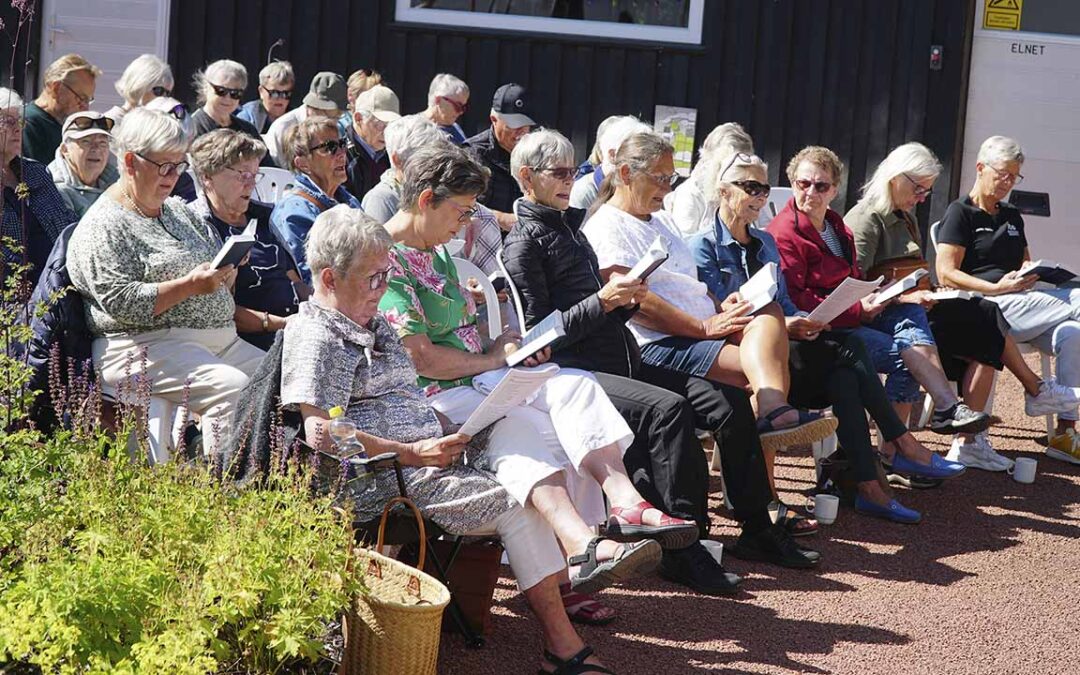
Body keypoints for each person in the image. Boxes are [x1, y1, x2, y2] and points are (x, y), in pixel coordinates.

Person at [282, 206, 616, 674]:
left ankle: (581, 541)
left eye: (385, 275)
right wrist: (413, 450)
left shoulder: (369, 321)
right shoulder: (317, 333)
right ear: (330, 278)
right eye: (373, 278)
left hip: (425, 453)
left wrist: (461, 423)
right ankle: (562, 644)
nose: (383, 289)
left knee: (513, 423)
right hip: (383, 478)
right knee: (519, 506)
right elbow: (320, 432)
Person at [503, 129, 823, 598]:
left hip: (623, 353)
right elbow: (541, 334)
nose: (571, 180)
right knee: (672, 408)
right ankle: (685, 545)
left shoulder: (570, 227)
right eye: (560, 172)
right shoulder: (532, 241)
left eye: (574, 170)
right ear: (526, 177)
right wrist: (611, 301)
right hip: (586, 369)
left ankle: (756, 525)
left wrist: (631, 299)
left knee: (731, 401)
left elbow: (624, 302)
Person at [380, 144, 693, 598]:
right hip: (433, 397)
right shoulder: (388, 259)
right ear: (426, 199)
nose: (464, 225)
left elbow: (466, 338)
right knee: (548, 430)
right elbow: (421, 359)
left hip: (476, 380)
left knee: (577, 389)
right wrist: (497, 358)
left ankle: (625, 505)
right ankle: (579, 561)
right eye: (461, 212)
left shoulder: (435, 250)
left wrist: (503, 345)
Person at [692, 152, 962, 523]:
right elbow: (713, 316)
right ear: (723, 191)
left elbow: (786, 302)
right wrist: (795, 320)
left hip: (798, 342)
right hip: (750, 354)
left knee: (847, 373)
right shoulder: (710, 245)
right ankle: (899, 448)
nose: (809, 193)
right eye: (749, 187)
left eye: (763, 188)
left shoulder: (771, 242)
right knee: (854, 352)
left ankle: (870, 483)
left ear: (834, 190)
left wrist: (800, 321)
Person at [584, 132, 837, 454]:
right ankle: (771, 419)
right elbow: (637, 302)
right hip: (661, 340)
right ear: (625, 174)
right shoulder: (606, 226)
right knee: (764, 366)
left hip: (700, 328)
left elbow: (688, 282)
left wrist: (720, 306)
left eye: (671, 177)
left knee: (768, 312)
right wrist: (703, 327)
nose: (667, 187)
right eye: (660, 178)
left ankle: (771, 412)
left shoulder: (661, 219)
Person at [847, 141, 1080, 470]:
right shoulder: (867, 220)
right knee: (986, 314)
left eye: (927, 191)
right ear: (896, 177)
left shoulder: (905, 215)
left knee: (986, 319)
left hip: (919, 306)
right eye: (920, 189)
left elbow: (917, 273)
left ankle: (968, 437)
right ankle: (942, 419)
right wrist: (906, 296)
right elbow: (856, 288)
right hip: (889, 313)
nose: (923, 198)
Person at [66, 108, 264, 456]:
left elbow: (207, 266)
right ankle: (217, 492)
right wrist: (192, 285)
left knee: (280, 380)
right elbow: (122, 301)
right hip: (144, 344)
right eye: (164, 166)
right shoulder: (104, 224)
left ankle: (273, 481)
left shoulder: (177, 210)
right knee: (233, 389)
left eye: (179, 166)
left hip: (216, 340)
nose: (173, 176)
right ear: (130, 161)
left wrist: (224, 272)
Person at [766, 145, 991, 441]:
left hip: (851, 316)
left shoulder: (835, 225)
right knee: (908, 358)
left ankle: (929, 422)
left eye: (821, 186)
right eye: (802, 184)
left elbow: (854, 277)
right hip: (818, 330)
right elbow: (797, 299)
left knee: (934, 320)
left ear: (834, 189)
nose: (810, 192)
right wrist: (862, 306)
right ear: (792, 182)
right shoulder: (786, 232)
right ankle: (904, 443)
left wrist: (877, 294)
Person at [936, 135, 1080, 465]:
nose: (1007, 182)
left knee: (1074, 332)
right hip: (984, 307)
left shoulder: (1013, 215)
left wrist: (1029, 274)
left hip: (1022, 305)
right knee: (1077, 299)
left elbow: (1023, 263)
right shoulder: (961, 213)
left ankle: (1064, 431)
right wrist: (996, 289)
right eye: (1002, 173)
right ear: (980, 168)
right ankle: (1039, 393)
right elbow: (945, 272)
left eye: (1014, 176)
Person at [189, 129, 307, 351]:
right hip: (247, 340)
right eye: (242, 175)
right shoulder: (197, 227)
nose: (251, 184)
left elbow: (293, 280)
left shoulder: (264, 218)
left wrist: (323, 308)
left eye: (255, 175)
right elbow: (218, 309)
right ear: (207, 177)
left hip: (294, 326)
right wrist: (282, 324)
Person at [0, 89, 78, 289]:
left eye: (19, 121)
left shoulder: (35, 172)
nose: (17, 129)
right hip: (12, 295)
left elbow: (64, 224)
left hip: (54, 288)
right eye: (8, 121)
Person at [270, 116, 361, 286]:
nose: (342, 153)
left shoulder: (349, 201)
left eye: (342, 144)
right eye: (329, 147)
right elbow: (314, 280)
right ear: (303, 163)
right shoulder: (293, 213)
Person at [465, 83, 535, 231]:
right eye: (513, 125)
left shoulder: (535, 152)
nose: (521, 132)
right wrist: (503, 219)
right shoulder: (472, 154)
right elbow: (460, 206)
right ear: (494, 120)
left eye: (525, 124)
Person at [667, 122, 755, 238]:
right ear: (712, 163)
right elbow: (683, 244)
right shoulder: (690, 193)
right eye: (730, 166)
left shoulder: (747, 192)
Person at [362, 114, 445, 224]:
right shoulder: (381, 200)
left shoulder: (434, 191)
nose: (434, 167)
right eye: (424, 160)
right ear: (398, 160)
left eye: (436, 158)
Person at [22, 54, 101, 164]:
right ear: (56, 88)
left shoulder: (66, 125)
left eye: (88, 100)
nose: (85, 107)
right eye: (81, 98)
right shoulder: (27, 125)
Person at [265, 72, 349, 168]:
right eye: (333, 117)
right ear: (316, 108)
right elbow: (274, 174)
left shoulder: (338, 129)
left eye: (339, 117)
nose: (335, 122)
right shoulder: (283, 128)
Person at [569, 116, 651, 211]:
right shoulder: (583, 193)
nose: (645, 164)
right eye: (638, 157)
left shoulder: (639, 190)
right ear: (612, 155)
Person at [48, 111, 119, 218]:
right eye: (86, 142)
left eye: (102, 143)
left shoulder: (118, 182)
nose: (96, 149)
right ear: (65, 150)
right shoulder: (55, 190)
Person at [189, 60, 263, 144]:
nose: (227, 98)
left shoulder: (248, 130)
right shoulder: (192, 129)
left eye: (235, 93)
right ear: (206, 88)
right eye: (221, 91)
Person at [346, 84, 398, 200]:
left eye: (392, 125)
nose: (386, 132)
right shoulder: (340, 157)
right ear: (358, 119)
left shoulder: (393, 154)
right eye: (380, 125)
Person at [105, 54, 174, 125]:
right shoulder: (110, 122)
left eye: (167, 93)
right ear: (140, 86)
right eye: (159, 91)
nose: (163, 97)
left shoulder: (152, 123)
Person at [235, 60, 294, 134]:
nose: (280, 99)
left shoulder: (296, 119)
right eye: (274, 93)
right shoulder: (247, 117)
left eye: (286, 94)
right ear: (261, 91)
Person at [422, 73, 470, 145]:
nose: (461, 112)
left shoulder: (456, 128)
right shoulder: (412, 128)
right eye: (457, 106)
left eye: (463, 107)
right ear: (438, 100)